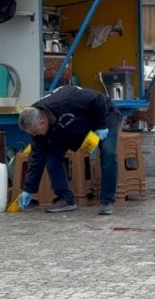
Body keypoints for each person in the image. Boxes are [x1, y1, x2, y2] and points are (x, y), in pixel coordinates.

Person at [16, 85, 122, 215]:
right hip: (70, 126)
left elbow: (98, 99)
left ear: (43, 122)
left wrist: (100, 125)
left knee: (108, 153)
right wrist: (29, 189)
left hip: (104, 114)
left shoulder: (66, 100)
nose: (35, 136)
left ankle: (107, 200)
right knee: (51, 157)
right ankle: (65, 199)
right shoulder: (36, 123)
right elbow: (37, 156)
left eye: (36, 133)